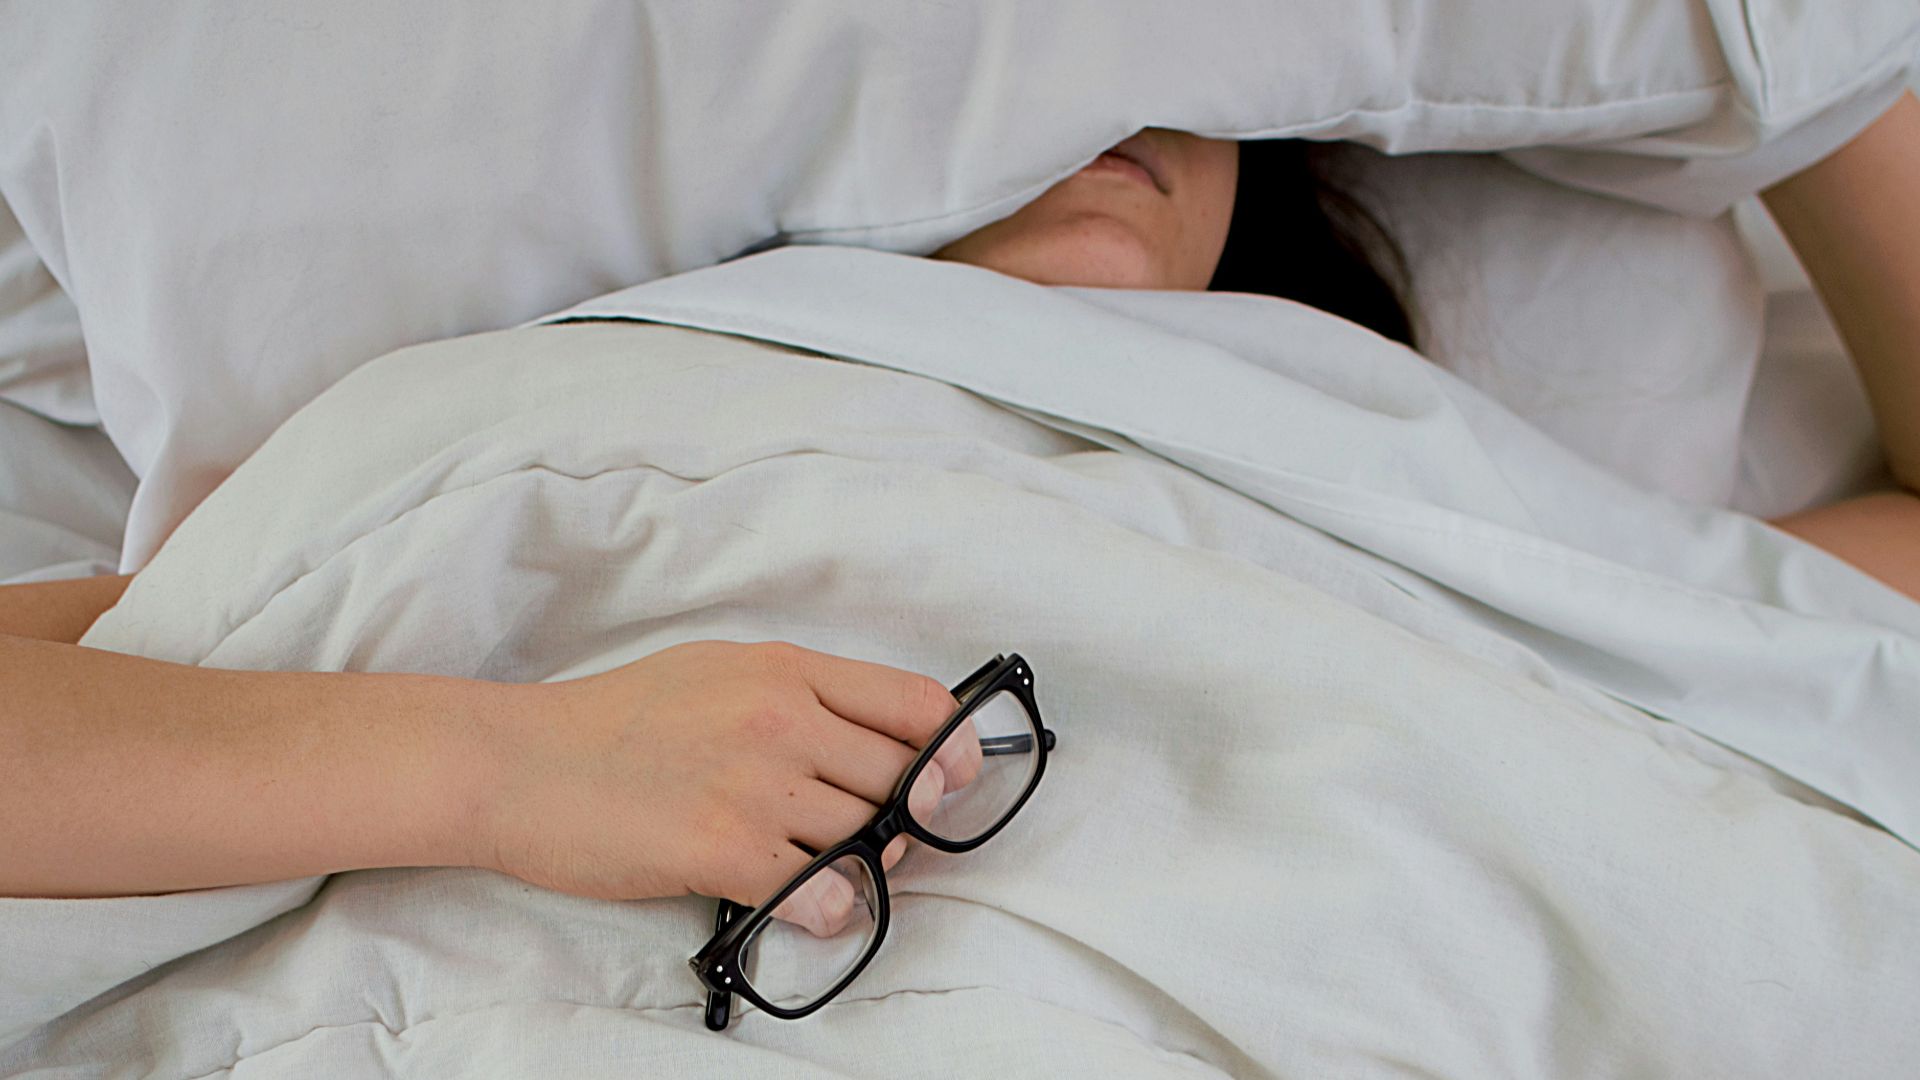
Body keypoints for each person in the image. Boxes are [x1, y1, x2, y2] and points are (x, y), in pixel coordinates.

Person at [3, 97, 1916, 919]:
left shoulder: (1404, 481)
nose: (1115, 95)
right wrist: (509, 770)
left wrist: (1812, 62)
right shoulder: (577, 421)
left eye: (1177, 57)